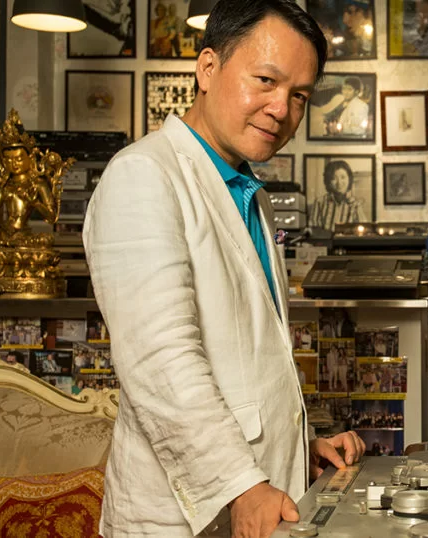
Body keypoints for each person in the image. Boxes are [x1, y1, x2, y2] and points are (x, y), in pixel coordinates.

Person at [82, 2, 365, 536]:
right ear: (208, 68)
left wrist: (298, 447)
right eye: (266, 80)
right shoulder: (142, 174)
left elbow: (246, 363)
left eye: (299, 96)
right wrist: (242, 485)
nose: (281, 109)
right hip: (179, 516)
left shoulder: (249, 192)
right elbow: (161, 362)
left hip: (260, 493)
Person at [308, 159, 367, 228]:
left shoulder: (356, 204)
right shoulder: (319, 202)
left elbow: (364, 229)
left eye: (343, 177)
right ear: (328, 181)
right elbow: (314, 228)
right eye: (334, 178)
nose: (339, 183)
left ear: (349, 179)